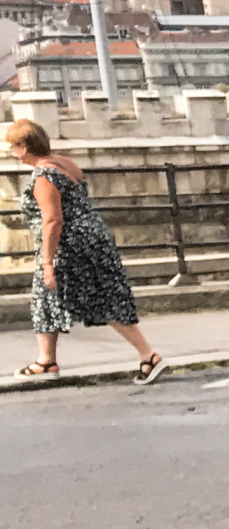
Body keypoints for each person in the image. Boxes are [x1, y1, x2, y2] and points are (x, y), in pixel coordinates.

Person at [8, 117, 162, 381]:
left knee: (48, 295)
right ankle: (47, 362)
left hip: (69, 246)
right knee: (95, 297)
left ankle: (148, 356)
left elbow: (53, 220)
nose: (13, 153)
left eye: (13, 146)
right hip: (94, 238)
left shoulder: (43, 176)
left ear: (24, 146)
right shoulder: (65, 164)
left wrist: (47, 261)